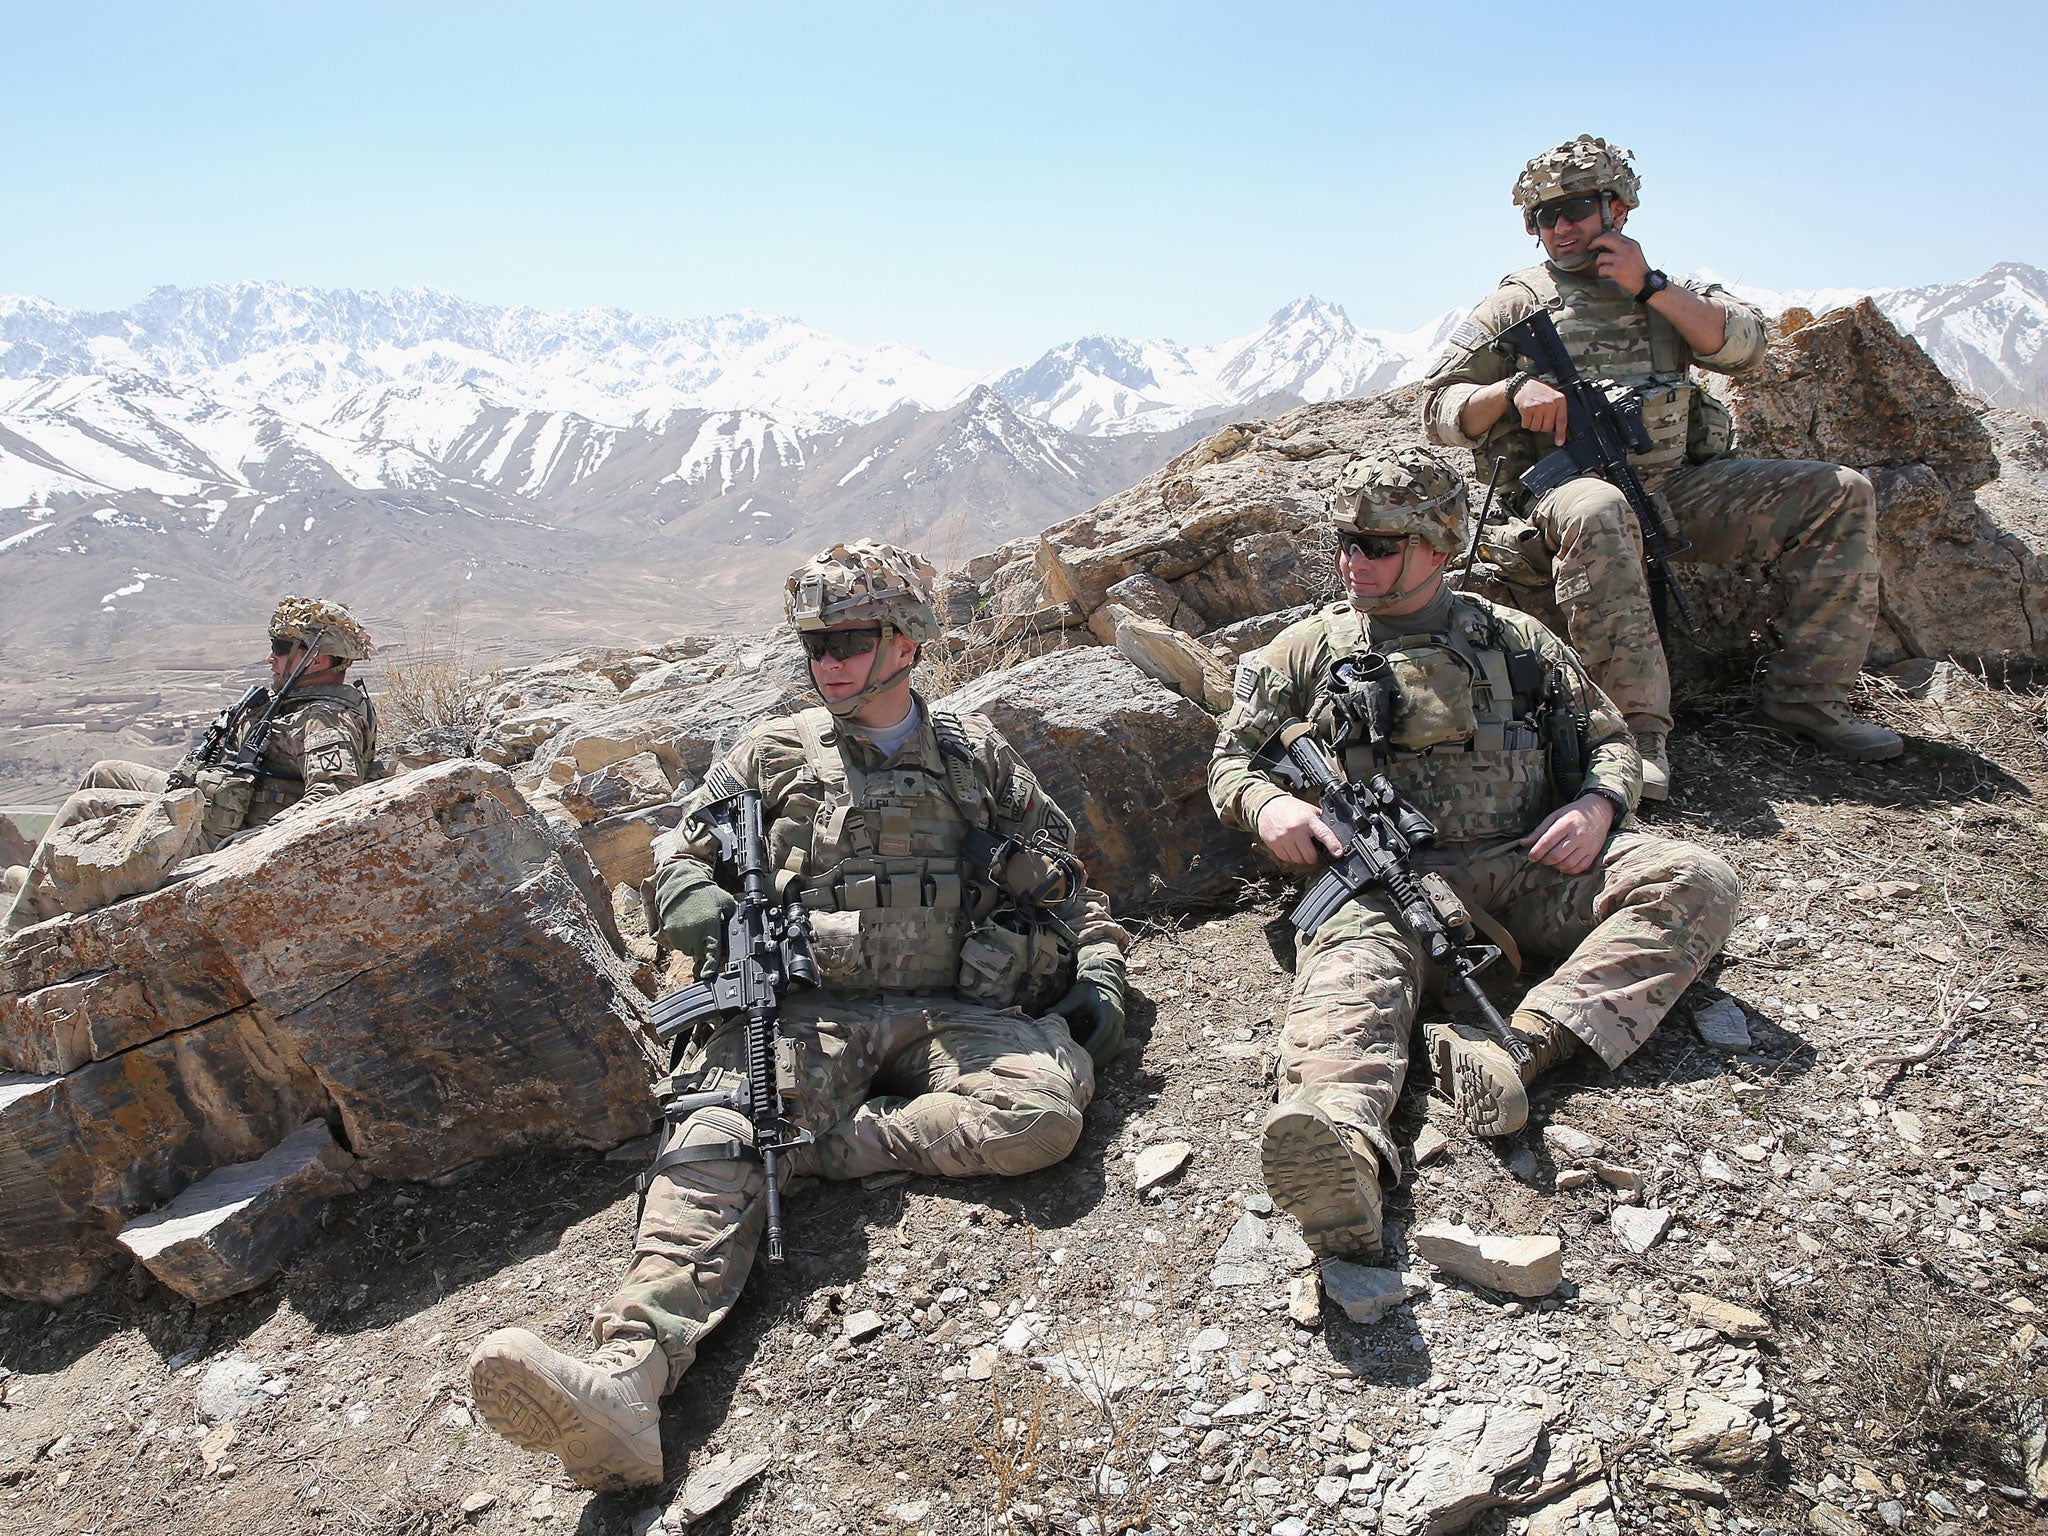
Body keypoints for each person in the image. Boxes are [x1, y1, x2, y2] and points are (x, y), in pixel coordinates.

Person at [468, 539, 1131, 1491]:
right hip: (806, 1010)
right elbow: (684, 861)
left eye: (850, 640)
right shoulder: (771, 755)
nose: (827, 663)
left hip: (954, 1010)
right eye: (813, 644)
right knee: (716, 1133)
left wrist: (1100, 987)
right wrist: (693, 900)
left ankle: (816, 1150)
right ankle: (625, 1379)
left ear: (907, 642)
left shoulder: (976, 759)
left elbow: (1070, 893)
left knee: (1044, 1119)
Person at [1208, 447, 1740, 1259]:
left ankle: (1526, 1043)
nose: (1355, 559)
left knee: (1696, 878)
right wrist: (1270, 803)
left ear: (1439, 545)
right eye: (1345, 540)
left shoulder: (1514, 638)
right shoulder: (1305, 649)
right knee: (1349, 998)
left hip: (1526, 869)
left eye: (1379, 544)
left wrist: (1599, 806)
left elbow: (1611, 740)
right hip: (1379, 890)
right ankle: (1342, 1161)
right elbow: (1229, 760)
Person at [1419, 134, 1900, 800]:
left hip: (1676, 489)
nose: (1559, 228)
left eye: (1576, 209)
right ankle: (1632, 736)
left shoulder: (1667, 289)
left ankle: (1809, 700)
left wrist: (1651, 288)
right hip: (1567, 499)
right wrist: (1508, 393)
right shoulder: (1515, 305)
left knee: (1840, 492)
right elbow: (1438, 406)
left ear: (1617, 208)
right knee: (1599, 508)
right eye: (1543, 217)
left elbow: (1745, 345)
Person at [2, 596, 377, 931]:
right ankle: (43, 887)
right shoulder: (294, 702)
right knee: (105, 770)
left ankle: (21, 926)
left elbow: (334, 795)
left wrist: (256, 841)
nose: (271, 658)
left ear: (317, 657)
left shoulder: (322, 718)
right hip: (213, 803)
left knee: (84, 806)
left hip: (219, 831)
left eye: (280, 648)